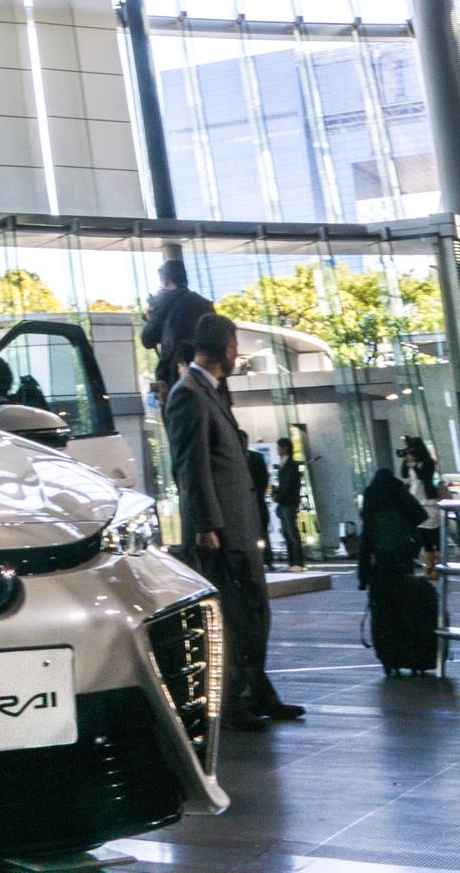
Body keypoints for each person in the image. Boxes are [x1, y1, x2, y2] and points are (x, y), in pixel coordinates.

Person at [165, 312, 304, 730]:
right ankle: (235, 703)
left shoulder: (208, 391)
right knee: (236, 616)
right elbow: (190, 466)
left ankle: (258, 693)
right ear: (225, 349)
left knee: (253, 611)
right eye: (235, 347)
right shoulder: (189, 394)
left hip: (237, 524)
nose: (237, 354)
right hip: (222, 529)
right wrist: (206, 525)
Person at [357, 468, 437, 676]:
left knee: (386, 615)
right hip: (403, 565)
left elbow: (364, 545)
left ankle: (390, 657)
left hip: (381, 570)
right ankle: (414, 657)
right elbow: (420, 516)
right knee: (407, 609)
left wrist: (363, 577)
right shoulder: (399, 494)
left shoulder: (373, 500)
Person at [142, 259, 214, 406]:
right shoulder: (205, 304)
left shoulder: (163, 304)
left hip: (174, 378)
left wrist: (151, 319)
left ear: (166, 280)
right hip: (206, 376)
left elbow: (147, 339)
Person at [400, 436, 441, 577]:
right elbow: (403, 474)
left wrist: (414, 466)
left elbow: (423, 476)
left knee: (433, 534)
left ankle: (438, 567)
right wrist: (406, 460)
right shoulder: (411, 462)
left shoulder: (428, 462)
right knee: (423, 536)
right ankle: (429, 567)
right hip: (416, 501)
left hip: (428, 501)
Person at [240, 428, 274, 569]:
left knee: (262, 531)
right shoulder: (233, 459)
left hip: (257, 501)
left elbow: (263, 478)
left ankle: (267, 559)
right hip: (242, 503)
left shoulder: (256, 457)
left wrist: (257, 494)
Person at [272, 436, 306, 569]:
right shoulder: (283, 464)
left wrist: (278, 496)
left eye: (279, 447)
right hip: (284, 502)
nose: (277, 449)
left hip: (288, 502)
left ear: (285, 448)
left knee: (292, 532)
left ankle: (298, 562)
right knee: (287, 533)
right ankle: (292, 562)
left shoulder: (291, 465)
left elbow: (288, 485)